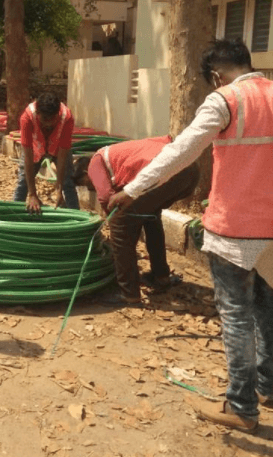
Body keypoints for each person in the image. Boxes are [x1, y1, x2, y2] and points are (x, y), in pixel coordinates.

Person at [109, 38, 273, 432]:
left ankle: (241, 407)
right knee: (267, 310)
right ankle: (267, 387)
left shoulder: (225, 100)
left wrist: (132, 190)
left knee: (236, 316)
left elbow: (180, 151)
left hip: (235, 230)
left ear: (215, 74)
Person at [74, 136, 199, 304]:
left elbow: (105, 198)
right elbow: (166, 140)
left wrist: (111, 219)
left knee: (120, 223)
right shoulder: (118, 154)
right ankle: (160, 276)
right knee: (150, 217)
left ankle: (128, 293)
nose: (90, 187)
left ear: (84, 173)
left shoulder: (94, 163)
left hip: (167, 171)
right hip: (190, 169)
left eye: (85, 183)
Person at [13, 92, 80, 213]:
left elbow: (63, 155)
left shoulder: (67, 118)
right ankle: (13, 217)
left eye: (52, 119)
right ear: (38, 114)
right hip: (35, 147)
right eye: (44, 119)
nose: (48, 123)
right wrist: (32, 194)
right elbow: (28, 156)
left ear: (57, 114)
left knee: (68, 182)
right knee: (23, 182)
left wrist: (59, 189)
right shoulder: (27, 117)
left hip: (57, 147)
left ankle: (77, 219)